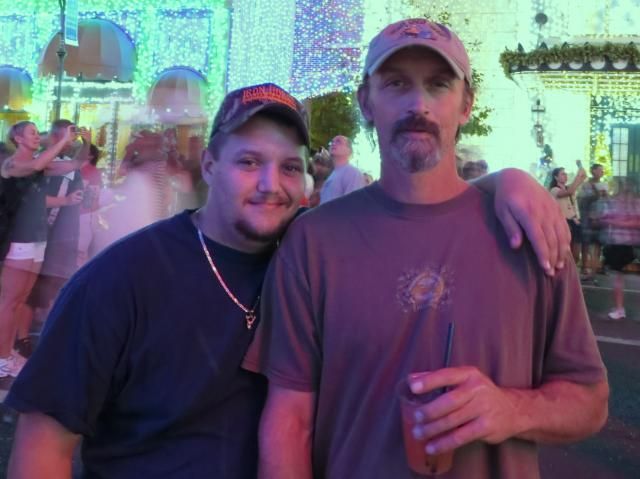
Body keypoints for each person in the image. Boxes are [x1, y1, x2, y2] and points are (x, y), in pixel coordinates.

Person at [7, 82, 569, 478]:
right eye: (248, 162)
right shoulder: (122, 278)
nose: (270, 185)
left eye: (290, 167)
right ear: (210, 166)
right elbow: (43, 446)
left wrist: (505, 182)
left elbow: (416, 207)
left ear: (307, 180)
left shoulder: (317, 252)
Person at [248, 19, 608, 479]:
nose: (418, 105)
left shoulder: (530, 232)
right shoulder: (313, 241)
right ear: (366, 102)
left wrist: (512, 409)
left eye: (438, 84)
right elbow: (290, 421)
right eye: (397, 84)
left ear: (466, 104)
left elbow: (589, 401)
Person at [0, 121, 82, 380]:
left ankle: (8, 352)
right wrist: (61, 141)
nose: (38, 136)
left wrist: (83, 141)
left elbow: (75, 165)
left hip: (37, 237)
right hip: (19, 238)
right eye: (33, 133)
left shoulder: (42, 164)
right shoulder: (11, 164)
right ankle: (1, 359)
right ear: (18, 138)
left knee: (21, 299)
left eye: (38, 133)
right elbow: (34, 166)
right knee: (9, 302)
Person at [597, 178, 640, 320]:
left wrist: (617, 222)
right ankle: (619, 308)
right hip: (617, 243)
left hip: (631, 244)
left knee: (619, 277)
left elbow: (637, 223)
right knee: (617, 277)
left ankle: (620, 309)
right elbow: (603, 218)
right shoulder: (613, 202)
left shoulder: (635, 203)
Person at [549, 166, 587, 262]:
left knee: (576, 251)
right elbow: (570, 191)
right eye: (562, 174)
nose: (565, 176)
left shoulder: (568, 187)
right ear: (556, 177)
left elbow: (583, 178)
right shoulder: (554, 190)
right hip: (564, 222)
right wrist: (578, 176)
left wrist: (580, 168)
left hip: (575, 220)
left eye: (566, 174)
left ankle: (574, 267)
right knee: (567, 250)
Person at [578, 163, 608, 282]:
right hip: (587, 217)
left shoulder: (604, 184)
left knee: (598, 244)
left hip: (600, 217)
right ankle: (584, 266)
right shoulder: (586, 185)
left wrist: (606, 196)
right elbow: (581, 201)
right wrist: (595, 194)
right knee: (586, 242)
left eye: (602, 170)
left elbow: (606, 201)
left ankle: (595, 267)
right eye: (600, 170)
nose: (602, 172)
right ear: (593, 171)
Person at [319, 135, 366, 204]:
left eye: (338, 141)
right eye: (332, 142)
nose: (333, 144)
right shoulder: (332, 174)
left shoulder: (352, 173)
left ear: (349, 150)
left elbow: (353, 204)